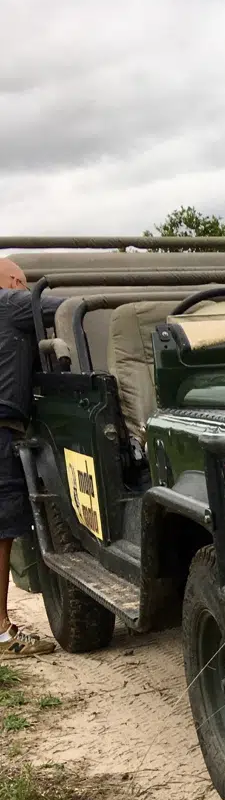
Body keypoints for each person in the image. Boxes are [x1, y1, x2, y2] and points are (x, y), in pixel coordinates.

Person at [0, 257, 59, 654]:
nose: (25, 287)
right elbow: (70, 306)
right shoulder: (11, 302)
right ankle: (2, 631)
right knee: (2, 531)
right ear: (12, 281)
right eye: (23, 282)